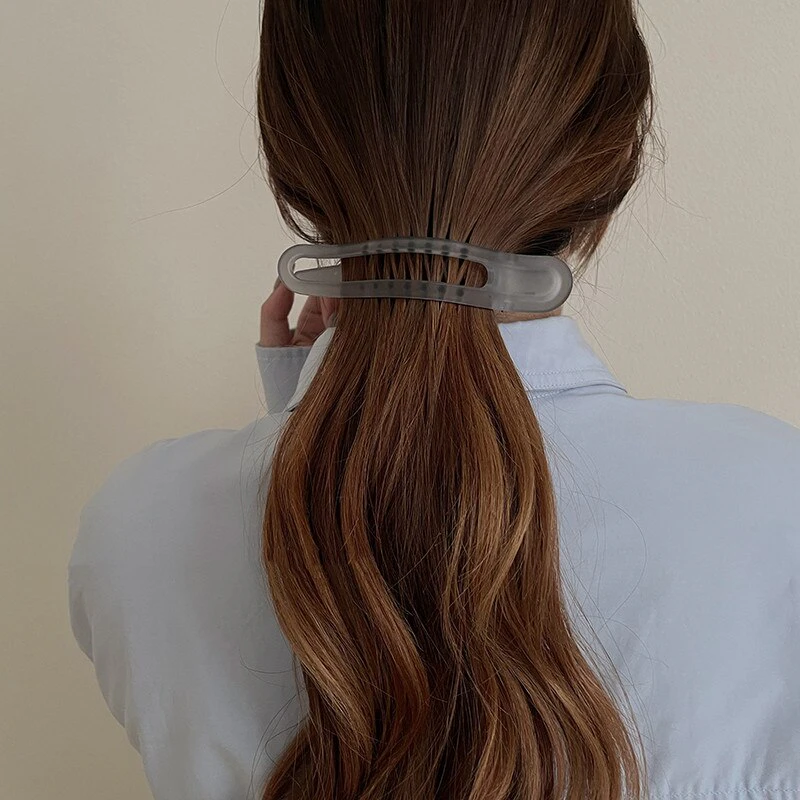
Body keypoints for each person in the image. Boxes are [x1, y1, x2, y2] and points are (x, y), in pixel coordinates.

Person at [67, 1, 800, 799]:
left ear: (289, 157)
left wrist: (305, 420)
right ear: (612, 164)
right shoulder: (774, 500)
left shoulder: (139, 525)